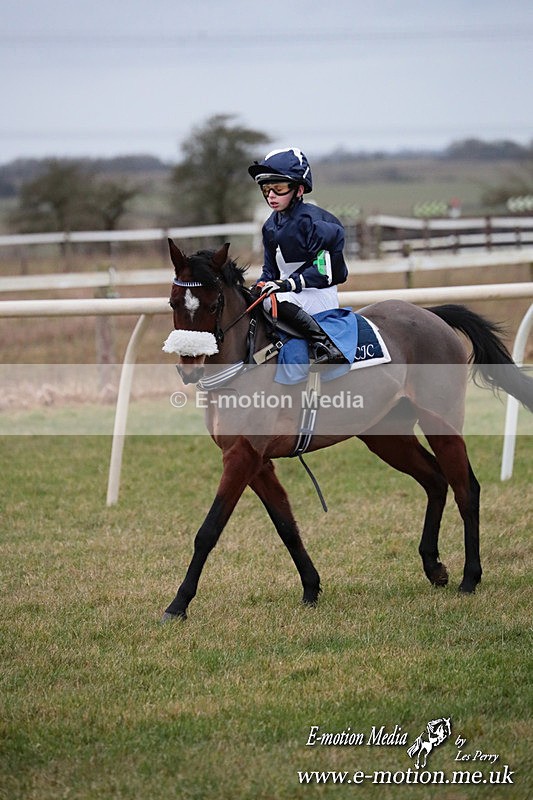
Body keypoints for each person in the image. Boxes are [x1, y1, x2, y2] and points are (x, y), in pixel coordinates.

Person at [248, 147, 348, 363]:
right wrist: (260, 285)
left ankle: (325, 345)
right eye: (266, 189)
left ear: (299, 190)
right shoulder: (270, 227)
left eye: (279, 188)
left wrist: (285, 285)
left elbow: (324, 272)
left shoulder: (317, 224)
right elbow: (270, 270)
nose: (271, 195)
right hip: (290, 294)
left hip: (318, 294)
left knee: (274, 299)